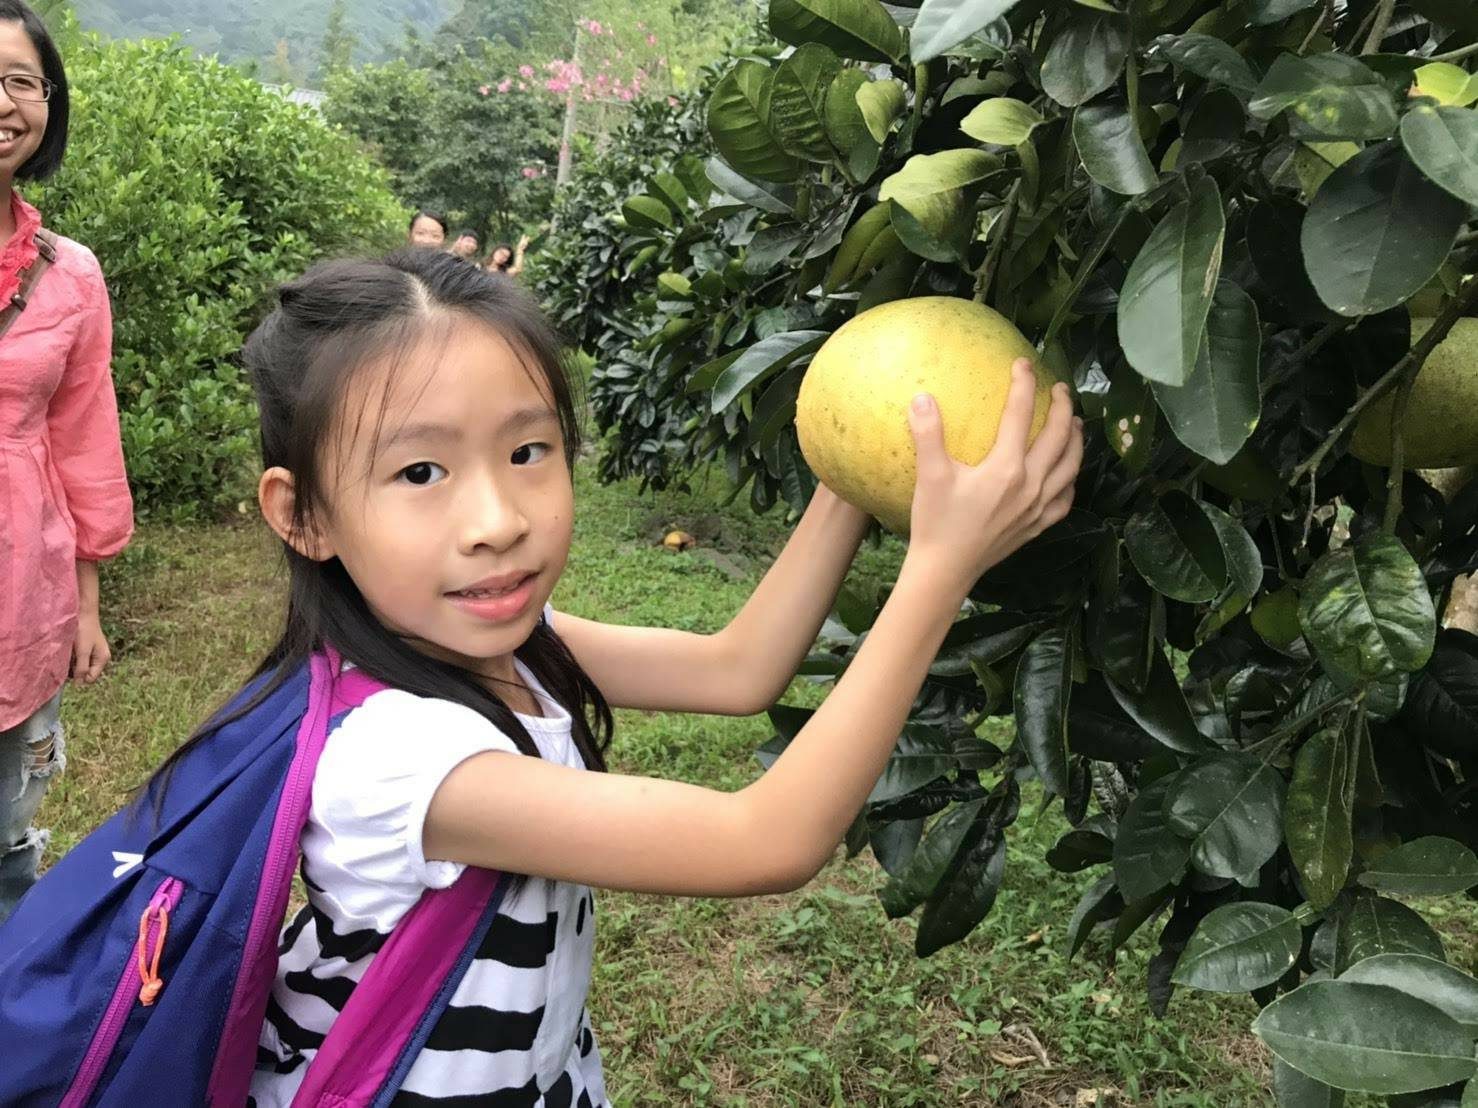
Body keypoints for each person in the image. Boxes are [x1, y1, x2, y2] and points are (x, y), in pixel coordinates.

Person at [140, 250, 1077, 1103]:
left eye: (527, 452)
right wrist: (941, 566)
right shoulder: (398, 758)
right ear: (303, 516)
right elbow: (769, 838)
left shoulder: (508, 648)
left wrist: (863, 441)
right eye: (421, 472)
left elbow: (739, 669)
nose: (498, 519)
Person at [0, 0, 133, 924]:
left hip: (24, 592)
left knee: (8, 827)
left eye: (20, 80)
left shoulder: (70, 274)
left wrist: (86, 608)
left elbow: (86, 445)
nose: (2, 101)